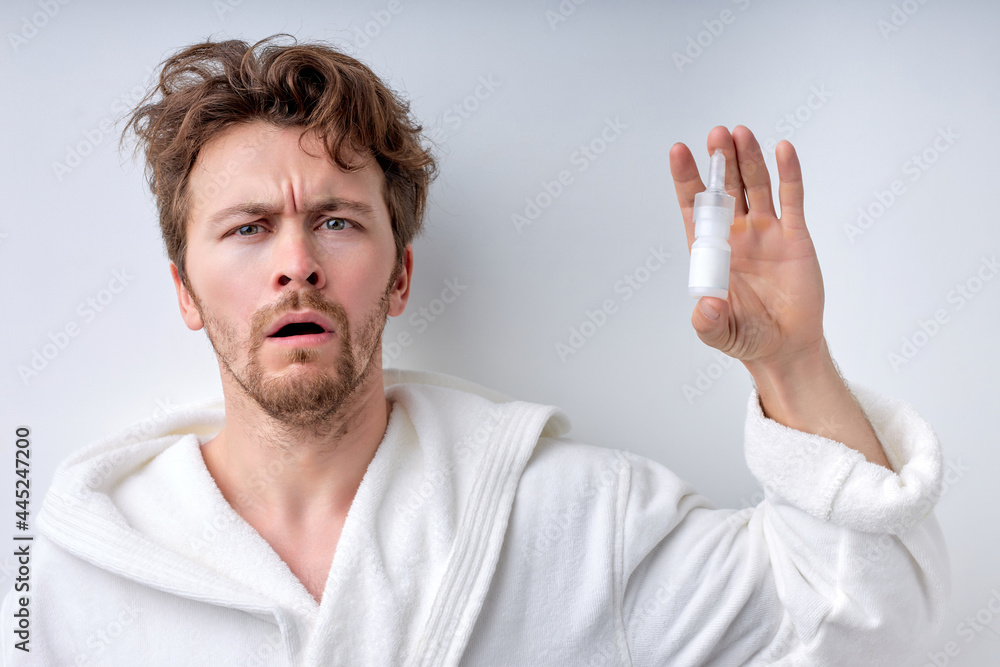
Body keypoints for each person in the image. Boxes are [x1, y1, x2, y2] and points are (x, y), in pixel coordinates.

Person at [3, 35, 949, 666]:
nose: (296, 265)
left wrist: (793, 361)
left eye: (336, 221)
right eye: (248, 229)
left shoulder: (575, 519)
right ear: (185, 292)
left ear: (401, 275)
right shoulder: (76, 569)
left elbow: (864, 627)